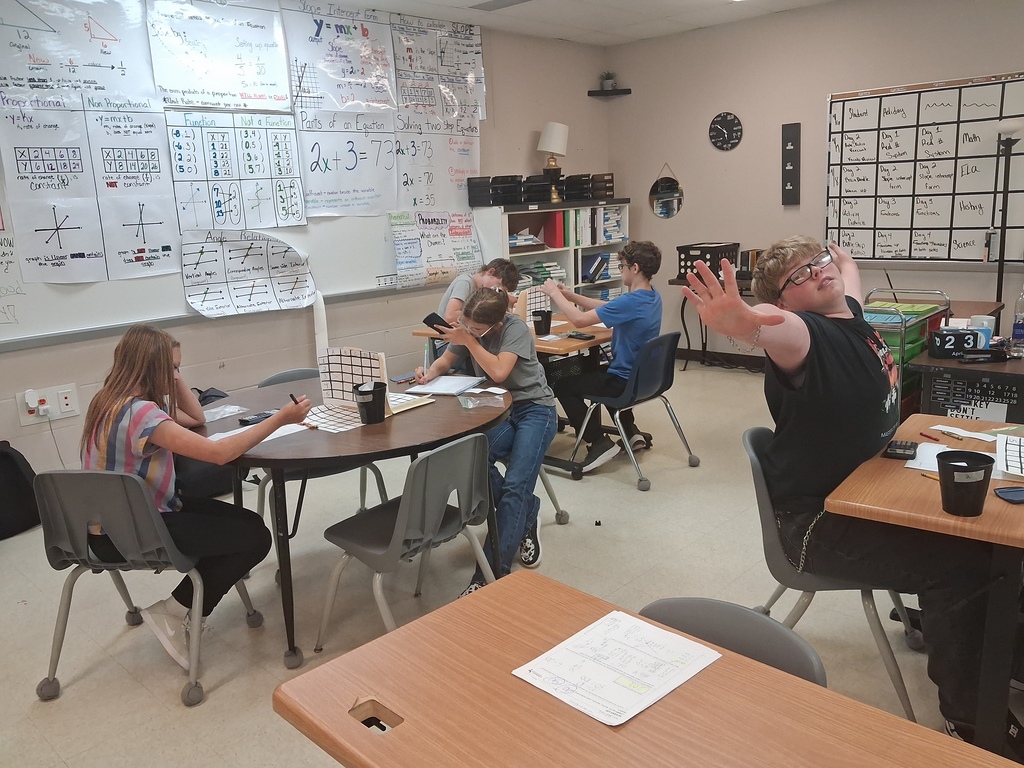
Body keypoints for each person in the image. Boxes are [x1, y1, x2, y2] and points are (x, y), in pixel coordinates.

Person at [681, 236, 1020, 750]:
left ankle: (973, 636)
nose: (815, 275)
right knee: (965, 565)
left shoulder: (851, 315)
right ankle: (972, 719)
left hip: (865, 489)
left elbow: (848, 283)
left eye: (816, 265)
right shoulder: (801, 333)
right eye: (797, 277)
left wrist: (840, 262)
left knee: (998, 544)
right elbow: (775, 329)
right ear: (782, 301)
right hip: (818, 523)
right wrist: (747, 322)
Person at [80, 324, 311, 670]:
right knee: (255, 539)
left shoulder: (109, 402)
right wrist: (281, 419)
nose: (176, 376)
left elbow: (196, 417)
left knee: (248, 523)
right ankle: (175, 611)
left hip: (114, 523)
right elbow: (219, 454)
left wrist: (171, 378)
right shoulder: (143, 415)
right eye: (171, 368)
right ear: (149, 367)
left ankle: (178, 608)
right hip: (135, 530)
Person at [414, 286, 557, 585]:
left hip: (535, 409)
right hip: (499, 409)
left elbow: (499, 371)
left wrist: (469, 339)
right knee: (475, 458)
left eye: (477, 329)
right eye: (467, 325)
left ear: (497, 323)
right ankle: (526, 514)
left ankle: (489, 577)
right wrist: (430, 373)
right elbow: (446, 361)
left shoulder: (514, 328)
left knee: (516, 485)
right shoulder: (468, 330)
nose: (470, 331)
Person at [539, 240, 662, 472]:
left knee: (559, 381)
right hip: (643, 380)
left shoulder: (631, 300)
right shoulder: (652, 296)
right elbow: (609, 306)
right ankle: (630, 431)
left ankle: (597, 442)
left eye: (622, 266)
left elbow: (579, 320)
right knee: (587, 367)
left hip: (623, 382)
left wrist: (556, 294)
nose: (621, 270)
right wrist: (571, 296)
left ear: (634, 268)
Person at [438, 258, 521, 325]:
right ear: (491, 272)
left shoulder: (484, 289)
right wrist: (484, 316)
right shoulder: (465, 283)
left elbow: (513, 300)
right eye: (498, 285)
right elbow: (450, 316)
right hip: (449, 340)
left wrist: (516, 303)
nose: (497, 291)